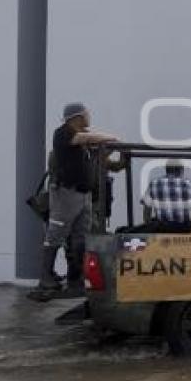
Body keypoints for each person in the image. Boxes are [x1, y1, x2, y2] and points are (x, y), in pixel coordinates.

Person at [39, 103, 119, 294]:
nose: (88, 117)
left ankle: (76, 279)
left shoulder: (83, 141)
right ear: (77, 117)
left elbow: (97, 150)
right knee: (56, 234)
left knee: (80, 238)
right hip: (66, 193)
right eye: (86, 114)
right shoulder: (63, 132)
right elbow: (88, 137)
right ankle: (46, 277)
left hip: (84, 195)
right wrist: (110, 138)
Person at [141, 160, 191, 232]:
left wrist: (148, 225)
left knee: (153, 221)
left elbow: (147, 209)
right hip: (183, 228)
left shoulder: (154, 183)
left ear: (166, 169)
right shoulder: (189, 184)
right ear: (181, 170)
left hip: (162, 228)